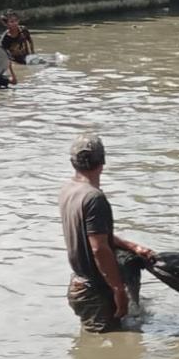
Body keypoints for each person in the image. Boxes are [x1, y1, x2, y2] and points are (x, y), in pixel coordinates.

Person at [59, 134, 156, 333]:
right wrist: (118, 289)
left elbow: (94, 236)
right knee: (106, 346)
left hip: (80, 285)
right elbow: (98, 248)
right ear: (102, 161)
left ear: (72, 162)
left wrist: (132, 246)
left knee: (96, 345)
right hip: (95, 292)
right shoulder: (94, 198)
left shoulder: (68, 190)